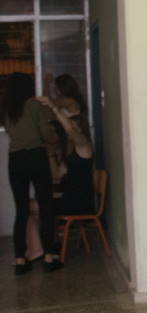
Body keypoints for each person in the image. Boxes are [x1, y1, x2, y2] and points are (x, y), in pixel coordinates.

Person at [1, 72, 63, 274]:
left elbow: (11, 132)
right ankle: (49, 256)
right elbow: (46, 134)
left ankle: (20, 259)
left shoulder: (7, 108)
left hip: (15, 159)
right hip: (36, 157)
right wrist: (54, 136)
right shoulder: (34, 106)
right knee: (46, 206)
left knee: (21, 210)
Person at [36, 81, 95, 216]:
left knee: (31, 208)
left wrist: (54, 107)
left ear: (80, 129)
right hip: (68, 199)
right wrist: (51, 154)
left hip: (79, 204)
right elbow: (57, 176)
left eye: (73, 126)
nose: (69, 129)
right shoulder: (70, 151)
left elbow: (69, 129)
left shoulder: (84, 146)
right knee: (31, 206)